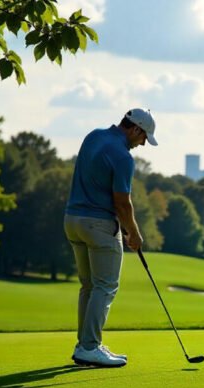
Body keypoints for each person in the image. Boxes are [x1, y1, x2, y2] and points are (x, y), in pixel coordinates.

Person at [63, 108, 158, 367]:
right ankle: (89, 347)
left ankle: (85, 343)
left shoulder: (93, 136)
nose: (142, 144)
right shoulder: (123, 157)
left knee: (89, 286)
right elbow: (122, 203)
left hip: (72, 220)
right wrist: (134, 233)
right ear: (136, 129)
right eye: (144, 138)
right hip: (99, 225)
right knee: (105, 286)